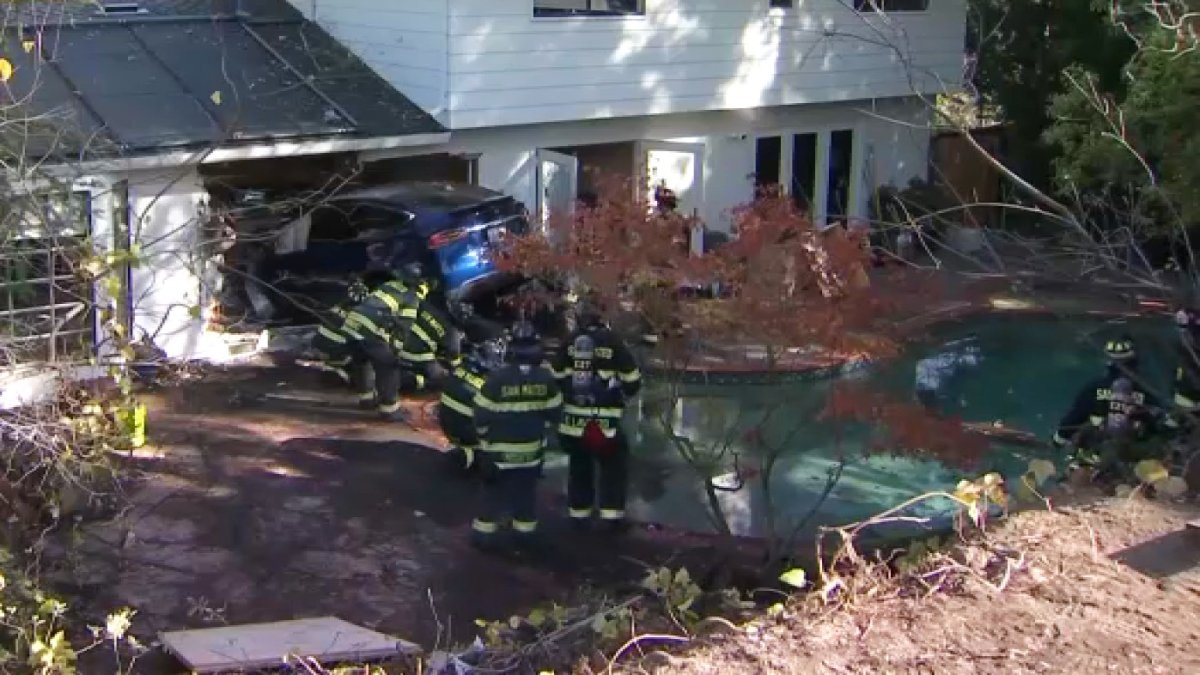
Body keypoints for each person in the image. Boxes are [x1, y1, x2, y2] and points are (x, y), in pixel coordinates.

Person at [470, 321, 562, 553]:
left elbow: (480, 415)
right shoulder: (546, 379)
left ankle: (484, 537)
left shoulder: (498, 379)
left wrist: (483, 442)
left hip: (498, 453)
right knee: (525, 495)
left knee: (492, 495)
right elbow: (555, 413)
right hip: (530, 453)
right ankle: (524, 537)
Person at [552, 297, 642, 533]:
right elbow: (633, 381)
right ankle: (610, 518)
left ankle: (579, 516)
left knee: (579, 468)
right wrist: (616, 393)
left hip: (573, 425)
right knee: (613, 468)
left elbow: (556, 377)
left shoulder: (569, 342)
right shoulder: (613, 342)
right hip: (605, 426)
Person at [1052, 335, 1161, 470]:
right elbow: (1158, 423)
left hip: (1097, 452)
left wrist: (1057, 441)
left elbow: (1074, 418)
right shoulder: (1147, 389)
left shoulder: (1093, 388)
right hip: (1135, 456)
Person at [343, 262, 430, 421]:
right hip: (369, 331)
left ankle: (366, 399)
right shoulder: (411, 298)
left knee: (362, 362)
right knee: (389, 368)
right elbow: (403, 330)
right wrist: (396, 353)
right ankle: (389, 410)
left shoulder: (389, 285)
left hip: (351, 325)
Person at [439, 338, 504, 476]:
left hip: (446, 425)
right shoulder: (490, 386)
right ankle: (475, 456)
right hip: (467, 433)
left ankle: (468, 452)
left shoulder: (461, 368)